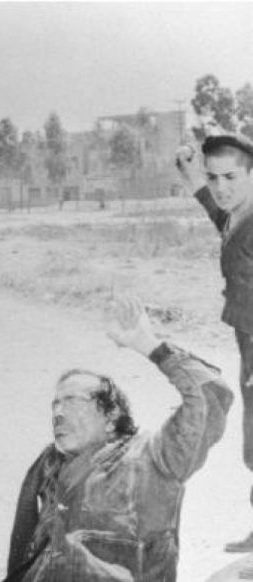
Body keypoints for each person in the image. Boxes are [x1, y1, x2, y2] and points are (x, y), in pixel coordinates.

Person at [5, 297, 233, 582]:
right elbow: (22, 548)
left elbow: (211, 396)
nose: (58, 413)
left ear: (111, 416)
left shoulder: (154, 457)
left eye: (72, 401)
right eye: (55, 405)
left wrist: (150, 346)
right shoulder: (49, 463)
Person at [176, 135, 253, 552]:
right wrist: (192, 176)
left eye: (231, 177)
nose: (220, 187)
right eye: (213, 177)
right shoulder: (237, 215)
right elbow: (215, 210)